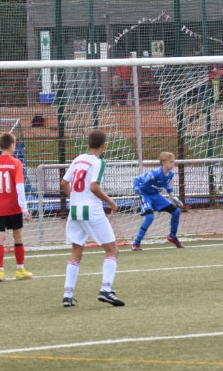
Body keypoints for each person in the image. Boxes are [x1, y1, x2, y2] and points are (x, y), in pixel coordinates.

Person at [60, 130, 124, 307]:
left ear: (88, 143)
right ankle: (106, 289)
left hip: (74, 210)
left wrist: (74, 198)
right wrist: (111, 202)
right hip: (92, 210)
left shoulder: (78, 159)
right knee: (112, 250)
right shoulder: (98, 162)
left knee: (76, 252)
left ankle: (67, 294)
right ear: (103, 145)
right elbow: (94, 187)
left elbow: (64, 183)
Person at [0, 133, 32, 282]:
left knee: (0, 237)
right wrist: (24, 209)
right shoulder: (16, 163)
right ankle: (20, 269)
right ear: (12, 146)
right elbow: (20, 187)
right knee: (17, 236)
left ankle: (0, 271)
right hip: (14, 207)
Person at [131, 151, 185, 250]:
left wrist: (172, 196)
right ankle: (136, 243)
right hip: (145, 195)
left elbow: (166, 183)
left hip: (156, 196)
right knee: (149, 217)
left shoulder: (170, 174)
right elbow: (137, 180)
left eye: (173, 162)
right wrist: (138, 194)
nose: (173, 164)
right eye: (171, 162)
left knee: (176, 212)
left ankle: (172, 237)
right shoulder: (155, 174)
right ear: (163, 163)